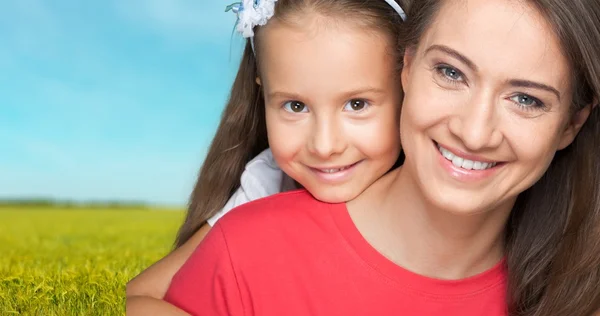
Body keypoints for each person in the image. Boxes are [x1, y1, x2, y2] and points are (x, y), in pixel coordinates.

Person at [164, 0, 600, 315]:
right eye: (450, 72)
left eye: (525, 99)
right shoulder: (245, 252)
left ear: (571, 124)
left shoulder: (579, 294)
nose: (473, 131)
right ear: (405, 67)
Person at [126, 0, 407, 313]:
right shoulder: (268, 182)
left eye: (357, 104)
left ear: (408, 88)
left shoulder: (435, 197)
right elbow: (140, 297)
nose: (325, 146)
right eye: (295, 106)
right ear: (263, 93)